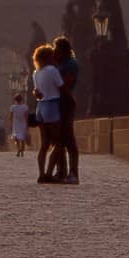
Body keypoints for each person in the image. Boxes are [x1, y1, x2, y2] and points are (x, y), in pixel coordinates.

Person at [31, 44, 64, 183]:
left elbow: (37, 91)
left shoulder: (36, 73)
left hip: (41, 107)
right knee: (59, 142)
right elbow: (61, 86)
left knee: (44, 144)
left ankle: (41, 173)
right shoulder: (52, 70)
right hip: (52, 105)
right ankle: (50, 172)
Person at [51, 36, 80, 183]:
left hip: (65, 103)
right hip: (58, 103)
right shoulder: (61, 64)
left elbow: (67, 83)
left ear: (62, 50)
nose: (54, 51)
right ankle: (61, 171)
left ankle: (73, 173)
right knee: (58, 140)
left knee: (68, 139)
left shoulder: (70, 64)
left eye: (56, 48)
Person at [9, 91, 29, 157]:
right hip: (23, 124)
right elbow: (26, 117)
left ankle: (18, 150)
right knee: (22, 139)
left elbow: (11, 117)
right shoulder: (25, 107)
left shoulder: (13, 107)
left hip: (16, 124)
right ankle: (22, 152)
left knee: (17, 139)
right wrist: (27, 125)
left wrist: (10, 124)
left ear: (15, 99)